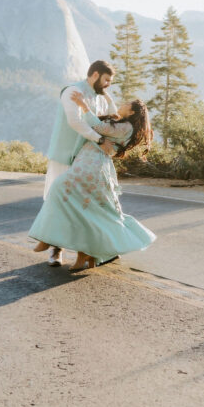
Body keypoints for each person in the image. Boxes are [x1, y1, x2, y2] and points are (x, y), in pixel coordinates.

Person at [29, 95, 156, 271]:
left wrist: (83, 106)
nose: (122, 104)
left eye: (126, 104)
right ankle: (77, 251)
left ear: (132, 111)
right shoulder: (122, 124)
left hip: (92, 164)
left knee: (61, 189)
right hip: (88, 160)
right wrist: (105, 97)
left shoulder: (127, 127)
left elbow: (98, 126)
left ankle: (52, 242)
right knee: (82, 208)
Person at [42, 60, 119, 265]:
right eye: (106, 80)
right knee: (59, 200)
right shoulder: (73, 92)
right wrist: (100, 140)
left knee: (86, 203)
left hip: (86, 158)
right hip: (65, 155)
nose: (108, 85)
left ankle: (89, 250)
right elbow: (75, 122)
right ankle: (55, 250)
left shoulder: (100, 96)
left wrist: (106, 93)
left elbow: (113, 114)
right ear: (94, 75)